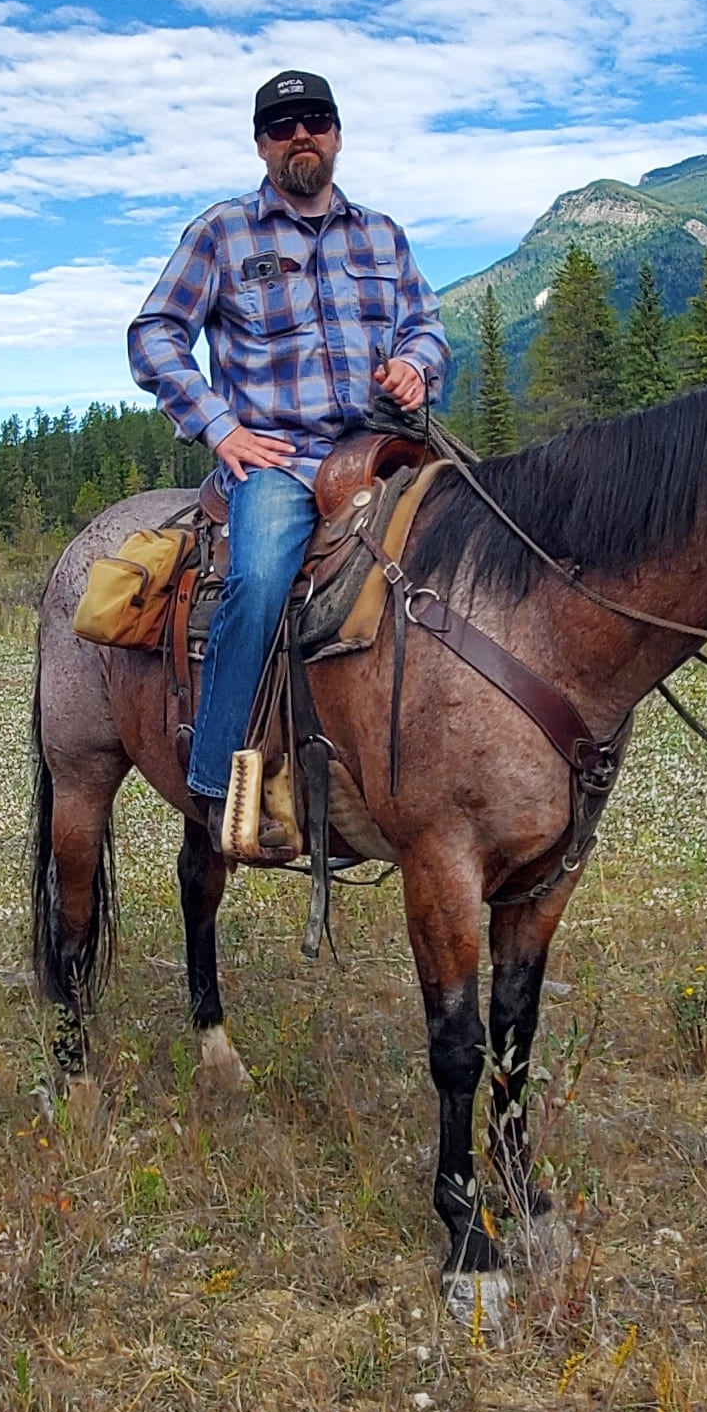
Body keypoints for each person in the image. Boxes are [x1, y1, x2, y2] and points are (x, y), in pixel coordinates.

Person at [128, 67, 444, 860]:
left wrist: (415, 364)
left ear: (337, 133)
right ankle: (215, 784)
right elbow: (155, 333)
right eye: (282, 125)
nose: (300, 135)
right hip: (280, 461)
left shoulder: (382, 235)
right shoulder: (223, 232)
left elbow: (428, 325)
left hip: (382, 448)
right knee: (262, 577)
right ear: (262, 144)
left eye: (316, 120)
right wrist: (219, 427)